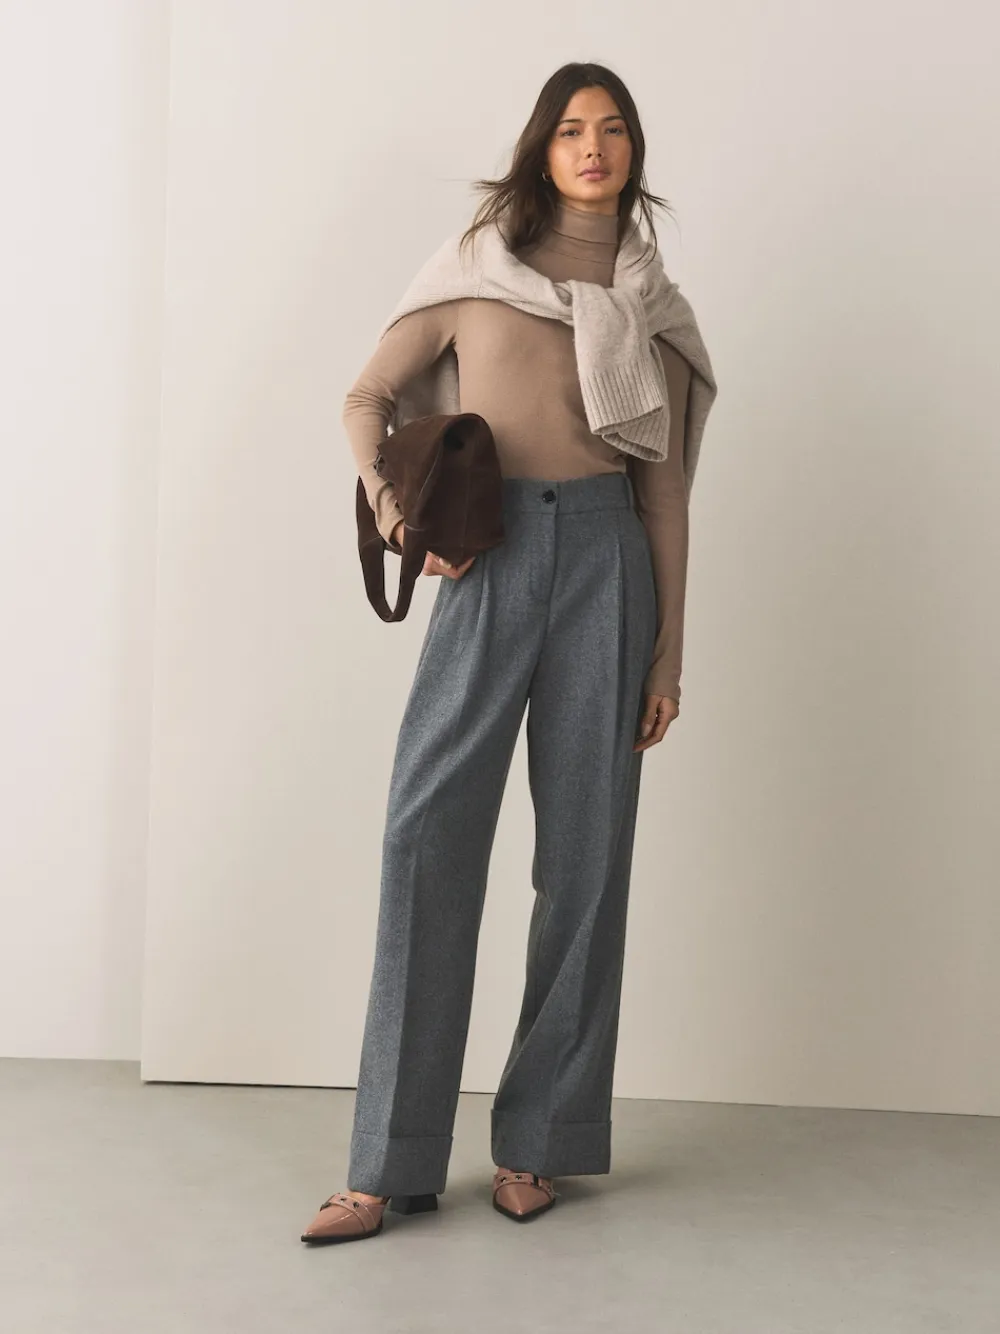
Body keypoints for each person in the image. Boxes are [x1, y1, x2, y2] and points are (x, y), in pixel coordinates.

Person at [301, 61, 713, 1246]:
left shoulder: (653, 309)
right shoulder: (476, 268)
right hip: (488, 557)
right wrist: (399, 516)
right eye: (571, 129)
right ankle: (384, 1164)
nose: (592, 146)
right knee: (425, 836)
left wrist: (666, 655)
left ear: (632, 153)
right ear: (540, 148)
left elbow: (666, 493)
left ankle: (538, 1140)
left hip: (608, 562)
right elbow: (367, 397)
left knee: (585, 858)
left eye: (613, 129)